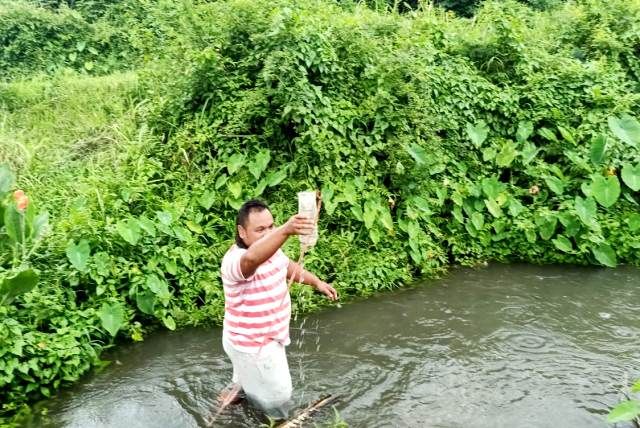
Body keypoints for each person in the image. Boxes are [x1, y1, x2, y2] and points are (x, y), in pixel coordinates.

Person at [219, 199, 338, 418]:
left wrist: (316, 282)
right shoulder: (235, 259)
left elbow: (286, 265)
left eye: (271, 226)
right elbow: (252, 259)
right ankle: (275, 419)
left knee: (244, 384)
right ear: (242, 232)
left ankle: (234, 397)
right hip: (256, 348)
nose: (268, 233)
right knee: (279, 400)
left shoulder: (271, 251)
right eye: (260, 229)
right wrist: (285, 230)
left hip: (243, 341)